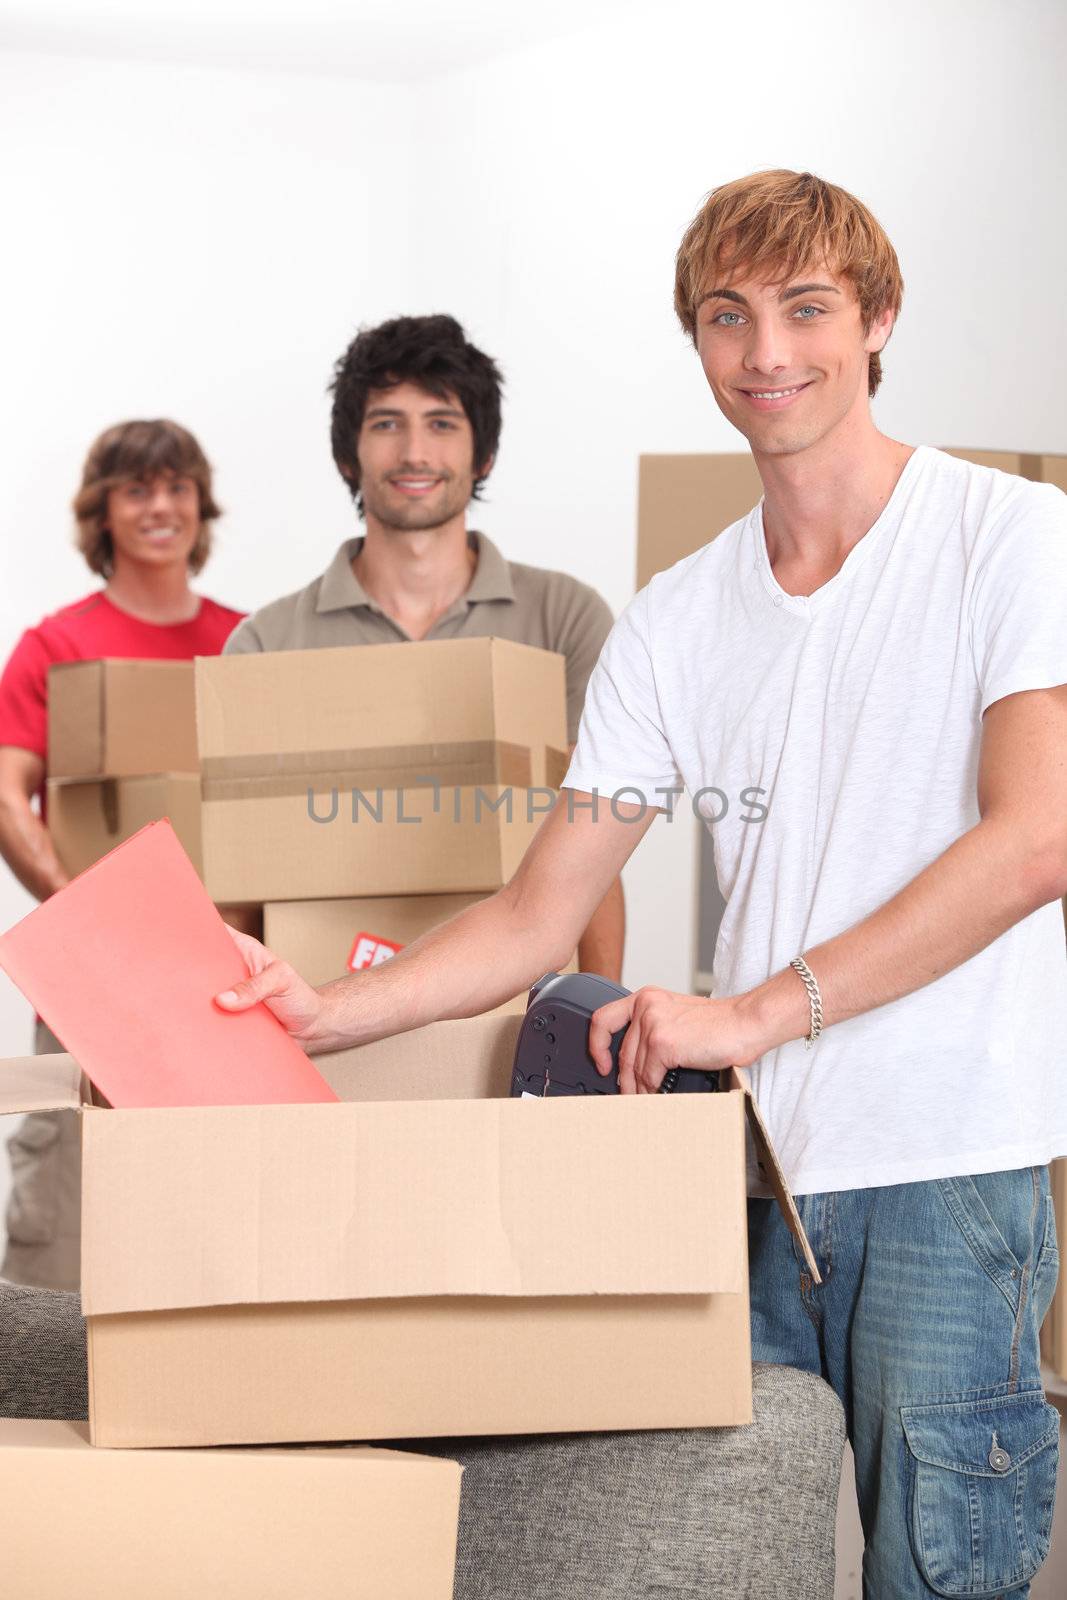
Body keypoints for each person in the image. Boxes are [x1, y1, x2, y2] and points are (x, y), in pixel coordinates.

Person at [216, 172, 1067, 1596]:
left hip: (943, 1168)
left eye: (805, 308)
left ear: (876, 319)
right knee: (718, 1563)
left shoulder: (1005, 538)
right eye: (725, 318)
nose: (765, 353)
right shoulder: (676, 612)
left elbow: (1033, 837)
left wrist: (751, 1012)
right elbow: (535, 914)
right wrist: (322, 1015)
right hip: (746, 1181)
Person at [224, 314, 622, 977]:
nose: (414, 453)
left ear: (482, 454)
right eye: (386, 423)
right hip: (318, 1000)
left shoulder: (565, 619)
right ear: (348, 454)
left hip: (514, 1002)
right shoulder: (266, 645)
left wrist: (597, 1015)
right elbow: (237, 875)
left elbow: (593, 848)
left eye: (441, 423)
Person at [0, 418, 244, 1289]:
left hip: (226, 971)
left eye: (176, 486)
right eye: (137, 488)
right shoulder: (54, 648)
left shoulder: (245, 643)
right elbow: (4, 789)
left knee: (221, 1199)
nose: (160, 506)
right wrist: (80, 913)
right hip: (88, 974)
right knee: (68, 1198)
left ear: (199, 505)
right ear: (102, 512)